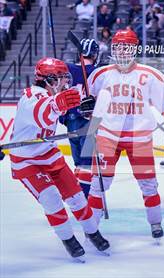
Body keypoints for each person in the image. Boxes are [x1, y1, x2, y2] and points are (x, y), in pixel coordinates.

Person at [85, 28, 164, 240]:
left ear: (135, 49)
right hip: (107, 136)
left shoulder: (149, 74)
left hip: (139, 138)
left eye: (127, 47)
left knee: (148, 183)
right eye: (118, 47)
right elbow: (85, 100)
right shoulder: (100, 74)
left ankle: (155, 222)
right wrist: (85, 106)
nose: (122, 52)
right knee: (98, 184)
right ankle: (91, 228)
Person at [7, 58, 109, 259]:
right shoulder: (30, 96)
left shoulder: (55, 95)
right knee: (51, 199)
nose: (65, 81)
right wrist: (56, 105)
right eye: (61, 77)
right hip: (26, 161)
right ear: (50, 79)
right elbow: (42, 113)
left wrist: (87, 109)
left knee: (77, 197)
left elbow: (64, 114)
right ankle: (68, 240)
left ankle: (93, 233)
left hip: (49, 154)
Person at [60, 39, 100, 198]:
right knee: (86, 163)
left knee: (78, 162)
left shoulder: (67, 69)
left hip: (71, 120)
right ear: (95, 54)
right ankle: (83, 197)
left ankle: (77, 194)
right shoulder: (97, 71)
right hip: (88, 120)